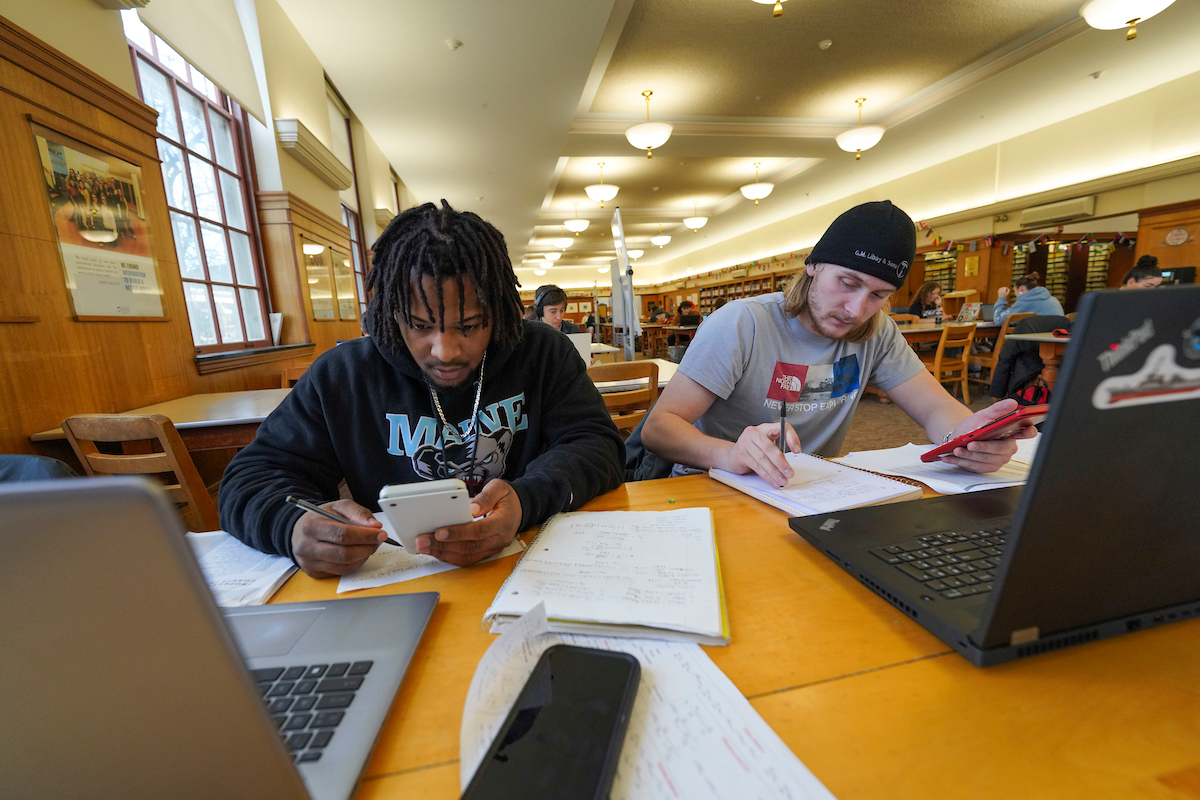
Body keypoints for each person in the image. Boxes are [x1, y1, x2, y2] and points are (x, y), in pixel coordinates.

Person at [219, 201, 625, 576]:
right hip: (396, 582)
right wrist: (290, 526)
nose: (445, 351)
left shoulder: (542, 353)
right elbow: (250, 477)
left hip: (534, 569)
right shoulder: (343, 375)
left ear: (499, 312)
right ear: (391, 314)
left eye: (469, 326)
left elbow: (597, 445)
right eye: (419, 325)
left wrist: (526, 500)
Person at [638, 200, 1030, 488]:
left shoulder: (879, 331)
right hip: (711, 483)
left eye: (879, 294)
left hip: (809, 490)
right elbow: (660, 429)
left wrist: (965, 439)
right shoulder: (743, 322)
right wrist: (729, 454)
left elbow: (937, 410)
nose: (857, 309)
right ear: (813, 265)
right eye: (848, 283)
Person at [992, 271, 1063, 324]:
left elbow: (999, 320)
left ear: (1021, 289)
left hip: (1038, 339)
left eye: (1015, 291)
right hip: (1057, 337)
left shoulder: (1025, 301)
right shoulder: (1053, 299)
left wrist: (1001, 297)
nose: (1016, 296)